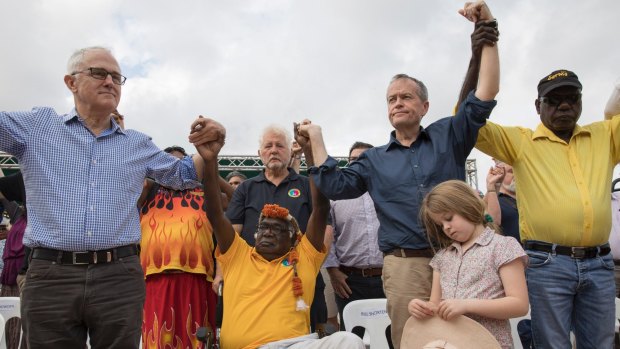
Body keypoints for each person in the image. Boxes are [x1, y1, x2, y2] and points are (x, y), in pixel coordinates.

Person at [298, 2, 499, 346]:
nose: (398, 103)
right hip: (406, 267)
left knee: (469, 339)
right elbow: (332, 184)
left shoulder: (448, 135)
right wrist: (316, 139)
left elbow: (485, 94)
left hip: (460, 257)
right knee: (413, 340)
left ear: (425, 107)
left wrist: (489, 33)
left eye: (406, 96)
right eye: (391, 99)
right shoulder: (373, 160)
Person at [0, 46, 220, 348]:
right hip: (51, 276)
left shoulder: (136, 143)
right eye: (99, 73)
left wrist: (209, 152)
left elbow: (183, 175)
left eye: (117, 77)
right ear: (71, 82)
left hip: (118, 275)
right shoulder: (37, 126)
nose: (110, 81)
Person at [474, 68, 620, 347]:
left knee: (602, 344)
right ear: (538, 106)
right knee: (552, 345)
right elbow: (470, 120)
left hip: (599, 261)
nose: (564, 105)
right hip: (548, 264)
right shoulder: (521, 142)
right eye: (554, 100)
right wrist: (479, 57)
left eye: (572, 98)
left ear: (580, 102)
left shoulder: (605, 136)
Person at [194, 117, 364, 349]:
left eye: (276, 229)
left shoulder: (303, 257)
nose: (266, 232)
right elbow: (215, 213)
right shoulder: (239, 255)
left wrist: (310, 150)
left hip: (294, 345)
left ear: (294, 238)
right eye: (262, 227)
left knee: (349, 340)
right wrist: (210, 160)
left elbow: (321, 209)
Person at [224, 124, 329, 332]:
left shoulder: (307, 184)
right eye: (268, 146)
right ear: (260, 153)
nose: (274, 150)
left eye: (280, 146)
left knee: (314, 329)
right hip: (253, 277)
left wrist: (311, 266)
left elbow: (326, 228)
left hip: (301, 274)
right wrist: (221, 273)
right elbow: (232, 233)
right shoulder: (246, 188)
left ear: (290, 151)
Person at [408, 180, 528, 348]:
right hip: (448, 342)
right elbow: (435, 305)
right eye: (440, 225)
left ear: (468, 205)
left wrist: (466, 305)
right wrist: (422, 308)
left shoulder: (502, 246)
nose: (446, 227)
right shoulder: (443, 257)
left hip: (488, 343)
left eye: (449, 218)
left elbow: (519, 305)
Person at [139, 145, 219, 349]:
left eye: (182, 163)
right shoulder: (147, 190)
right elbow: (126, 174)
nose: (175, 168)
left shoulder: (204, 193)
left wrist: (207, 159)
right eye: (169, 162)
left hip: (199, 279)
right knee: (159, 340)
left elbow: (234, 199)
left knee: (198, 341)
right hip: (155, 279)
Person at [323, 142, 386, 340]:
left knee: (391, 336)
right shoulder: (335, 198)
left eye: (363, 159)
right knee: (353, 338)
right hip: (349, 281)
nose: (357, 163)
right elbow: (329, 238)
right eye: (353, 160)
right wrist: (333, 271)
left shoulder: (389, 193)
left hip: (388, 278)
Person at [484, 161, 519, 241]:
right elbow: (493, 222)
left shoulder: (528, 203)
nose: (516, 175)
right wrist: (493, 188)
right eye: (511, 171)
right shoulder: (495, 199)